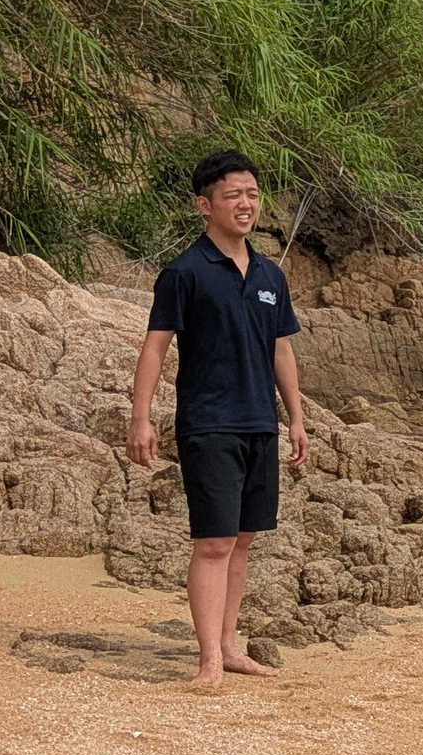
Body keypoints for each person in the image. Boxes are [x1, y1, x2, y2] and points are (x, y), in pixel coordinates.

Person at [126, 149, 307, 691]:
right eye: (233, 195)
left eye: (252, 194)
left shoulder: (271, 274)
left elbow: (281, 351)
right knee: (213, 542)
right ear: (205, 205)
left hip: (260, 423)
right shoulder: (184, 272)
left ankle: (230, 647)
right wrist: (141, 417)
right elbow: (155, 348)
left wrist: (295, 418)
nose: (246, 203)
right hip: (207, 422)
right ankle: (207, 658)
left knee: (244, 539)